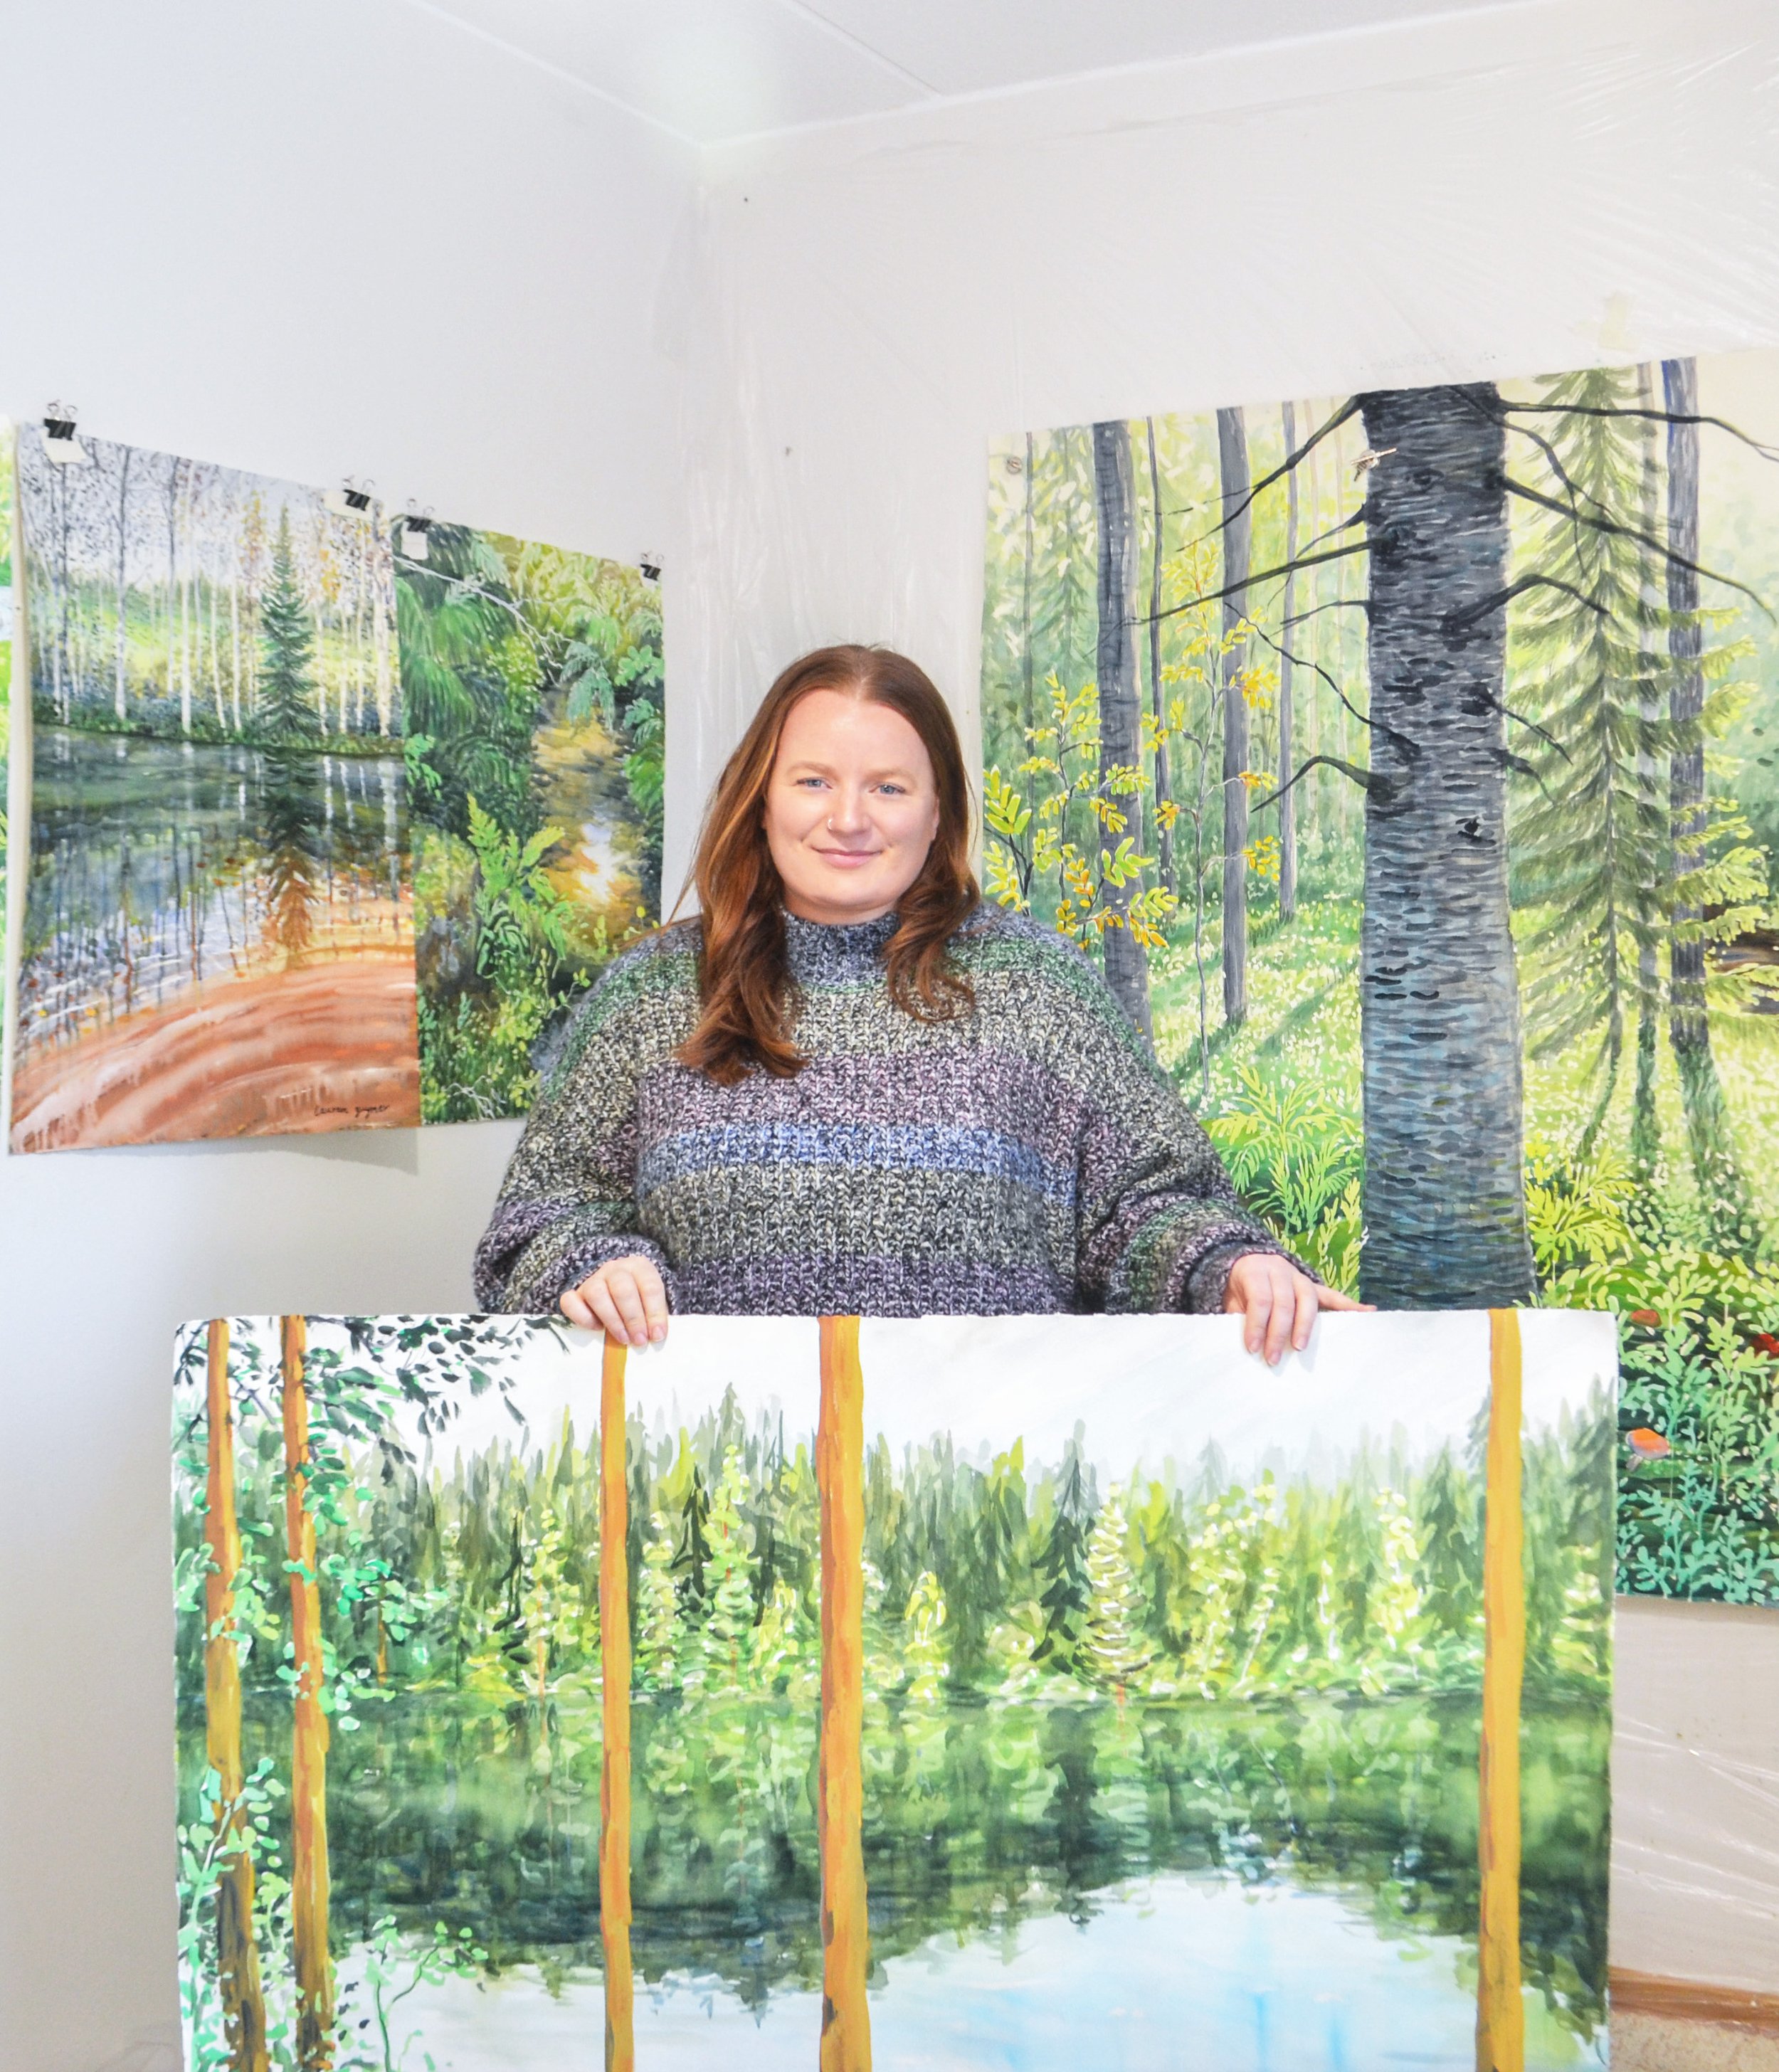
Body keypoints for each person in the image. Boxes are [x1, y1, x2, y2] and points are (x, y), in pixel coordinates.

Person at [475, 645, 1365, 1363]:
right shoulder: (652, 993)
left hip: (992, 1493)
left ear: (938, 811)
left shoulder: (1038, 986)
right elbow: (535, 1223)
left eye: (889, 787)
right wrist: (591, 1263)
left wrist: (1228, 1263)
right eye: (813, 780)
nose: (848, 819)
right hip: (722, 1502)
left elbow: (1149, 1203)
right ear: (761, 796)